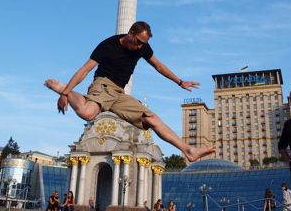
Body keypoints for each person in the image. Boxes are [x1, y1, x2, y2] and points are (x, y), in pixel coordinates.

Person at [45, 22, 215, 163]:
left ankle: (188, 150)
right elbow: (84, 70)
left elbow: (159, 66)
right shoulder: (108, 45)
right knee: (87, 112)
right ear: (131, 33)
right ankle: (62, 88)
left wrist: (180, 82)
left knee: (152, 119)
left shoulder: (142, 47)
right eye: (139, 41)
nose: (140, 46)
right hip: (103, 85)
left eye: (144, 43)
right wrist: (65, 93)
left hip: (120, 93)